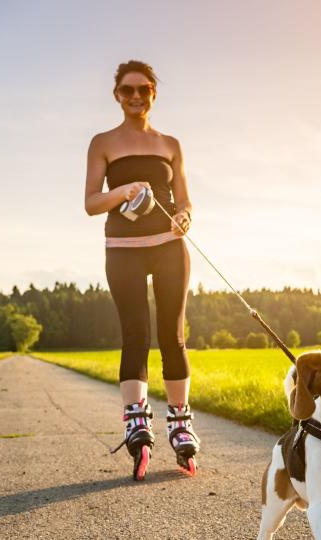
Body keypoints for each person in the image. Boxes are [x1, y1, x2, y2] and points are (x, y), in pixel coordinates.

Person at [83, 59, 199, 480]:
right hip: (123, 249)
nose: (136, 96)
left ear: (154, 94)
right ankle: (138, 428)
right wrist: (124, 191)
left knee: (173, 335)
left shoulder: (170, 144)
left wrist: (184, 217)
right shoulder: (103, 143)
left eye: (144, 89)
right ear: (117, 95)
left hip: (169, 247)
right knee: (135, 336)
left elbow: (185, 200)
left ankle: (181, 426)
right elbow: (91, 203)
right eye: (128, 90)